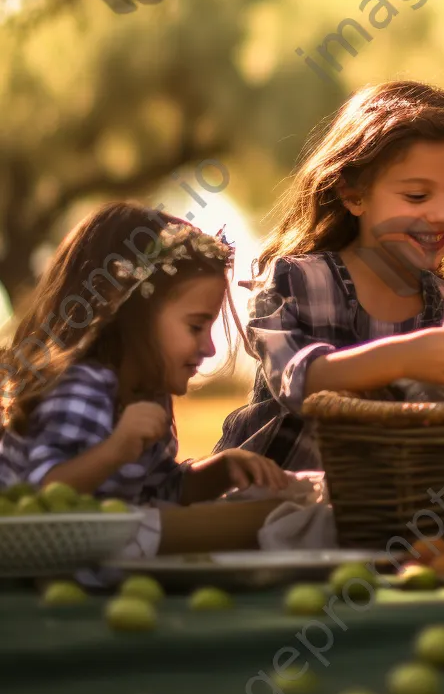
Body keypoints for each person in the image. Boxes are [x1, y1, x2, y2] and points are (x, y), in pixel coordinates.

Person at [215, 81, 444, 470]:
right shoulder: (295, 283)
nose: (443, 215)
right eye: (417, 196)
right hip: (272, 503)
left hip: (397, 516)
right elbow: (296, 381)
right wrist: (402, 358)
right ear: (354, 195)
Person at [0, 202, 288, 501]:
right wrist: (117, 449)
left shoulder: (147, 394)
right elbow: (42, 493)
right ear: (127, 313)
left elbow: (156, 494)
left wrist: (220, 471)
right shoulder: (80, 389)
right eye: (195, 326)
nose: (209, 347)